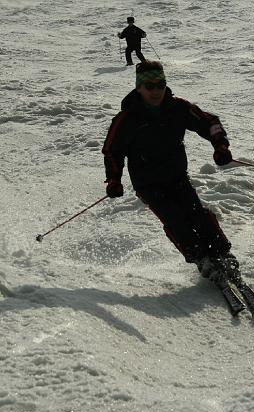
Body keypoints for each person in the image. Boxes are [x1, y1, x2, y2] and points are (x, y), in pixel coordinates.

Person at [102, 61, 240, 282]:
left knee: (198, 214)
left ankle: (221, 253)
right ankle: (200, 258)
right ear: (139, 88)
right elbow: (112, 151)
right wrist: (114, 180)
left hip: (176, 176)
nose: (156, 91)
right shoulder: (127, 119)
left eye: (161, 85)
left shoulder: (177, 108)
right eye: (149, 86)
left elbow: (209, 122)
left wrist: (220, 146)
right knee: (175, 220)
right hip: (148, 184)